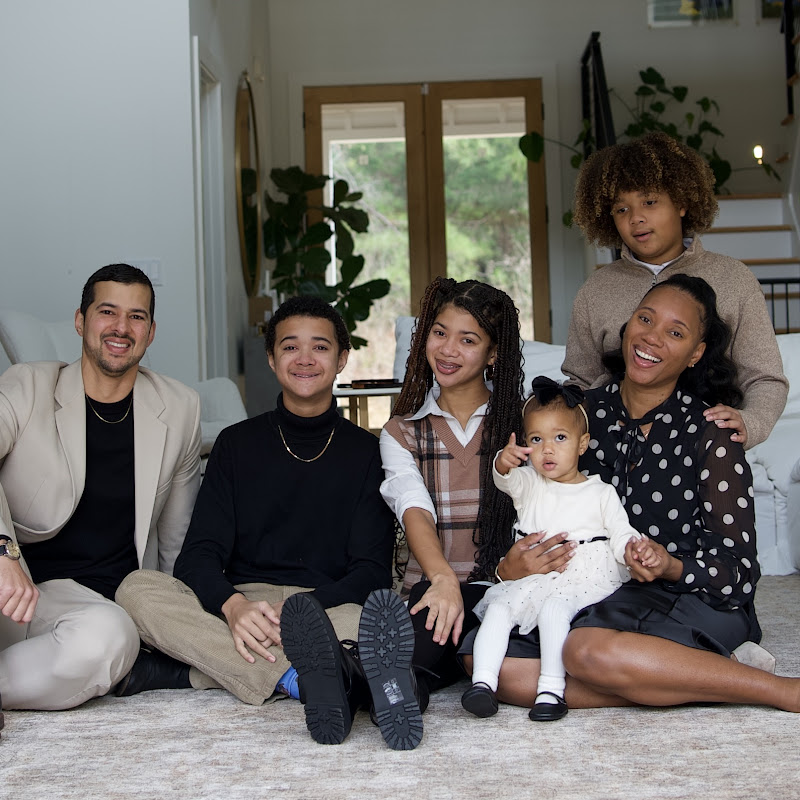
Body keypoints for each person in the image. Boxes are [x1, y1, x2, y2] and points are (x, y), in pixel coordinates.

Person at [488, 274, 800, 714]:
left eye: (676, 332)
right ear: (627, 325)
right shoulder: (579, 415)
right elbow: (533, 503)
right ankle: (692, 674)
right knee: (491, 665)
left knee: (584, 651)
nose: (652, 337)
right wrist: (509, 568)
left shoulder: (711, 430)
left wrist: (671, 565)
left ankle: (776, 690)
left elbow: (739, 572)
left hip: (691, 596)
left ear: (696, 354)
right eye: (646, 319)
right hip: (595, 591)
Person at [115, 297, 401, 746]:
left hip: (330, 608)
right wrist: (232, 607)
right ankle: (301, 679)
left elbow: (370, 571)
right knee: (137, 590)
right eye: (290, 347)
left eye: (320, 347)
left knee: (378, 624)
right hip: (245, 603)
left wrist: (303, 612)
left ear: (342, 358)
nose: (304, 359)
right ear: (271, 358)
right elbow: (198, 556)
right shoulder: (235, 445)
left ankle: (196, 671)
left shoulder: (368, 452)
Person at [0, 263, 201, 713]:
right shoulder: (27, 385)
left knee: (109, 636)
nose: (121, 328)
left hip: (99, 610)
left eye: (136, 316)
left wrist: (176, 625)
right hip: (15, 589)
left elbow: (177, 538)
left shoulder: (179, 407)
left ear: (150, 332)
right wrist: (2, 553)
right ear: (80, 321)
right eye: (107, 312)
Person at [380, 277, 575, 701]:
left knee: (446, 635)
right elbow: (415, 510)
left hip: (507, 591)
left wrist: (510, 572)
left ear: (493, 353)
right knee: (433, 615)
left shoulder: (527, 426)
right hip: (429, 592)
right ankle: (397, 690)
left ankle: (368, 680)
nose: (448, 350)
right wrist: (444, 580)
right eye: (439, 333)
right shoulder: (401, 432)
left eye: (467, 340)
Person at [563, 131, 788, 450]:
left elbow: (765, 378)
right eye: (621, 209)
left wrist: (750, 423)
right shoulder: (595, 290)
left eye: (649, 202)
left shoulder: (734, 279)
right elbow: (580, 383)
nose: (636, 218)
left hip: (707, 452)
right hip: (613, 453)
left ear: (681, 202)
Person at [461, 377, 648, 722]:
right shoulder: (530, 484)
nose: (547, 449)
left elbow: (620, 531)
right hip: (534, 575)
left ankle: (550, 691)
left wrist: (631, 551)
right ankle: (482, 684)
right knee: (499, 609)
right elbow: (505, 478)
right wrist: (504, 460)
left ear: (582, 443)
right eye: (537, 439)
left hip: (581, 574)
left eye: (560, 438)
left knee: (553, 610)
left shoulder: (600, 492)